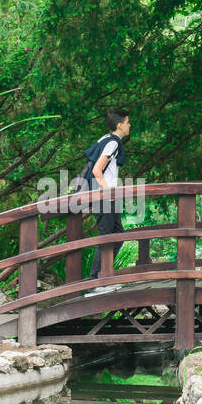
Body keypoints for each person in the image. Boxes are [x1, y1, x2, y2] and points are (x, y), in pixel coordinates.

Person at [83, 109, 130, 293]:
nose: (129, 125)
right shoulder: (113, 143)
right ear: (119, 125)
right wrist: (108, 191)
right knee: (106, 237)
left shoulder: (105, 139)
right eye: (127, 122)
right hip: (103, 196)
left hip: (104, 196)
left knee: (116, 234)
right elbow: (97, 170)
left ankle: (105, 278)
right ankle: (95, 282)